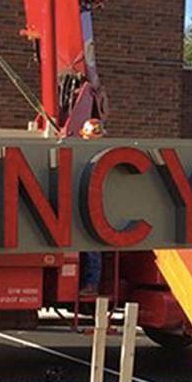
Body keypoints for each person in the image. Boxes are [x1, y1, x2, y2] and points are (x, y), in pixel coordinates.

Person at [79, 117, 104, 294]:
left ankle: (91, 284)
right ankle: (88, 283)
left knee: (92, 249)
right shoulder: (82, 154)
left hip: (95, 208)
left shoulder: (102, 155)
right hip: (81, 205)